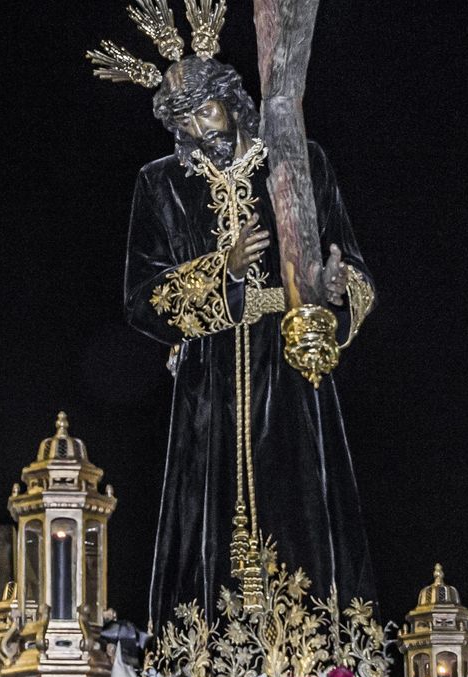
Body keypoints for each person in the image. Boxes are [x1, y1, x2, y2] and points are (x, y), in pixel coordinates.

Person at [107, 31, 377, 628]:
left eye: (207, 109)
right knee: (207, 525)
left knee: (303, 506)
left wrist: (334, 293)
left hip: (290, 366)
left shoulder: (301, 161)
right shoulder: (160, 185)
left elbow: (354, 268)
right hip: (209, 385)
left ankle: (316, 670)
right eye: (184, 119)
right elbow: (140, 298)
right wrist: (219, 272)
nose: (202, 129)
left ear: (232, 99)